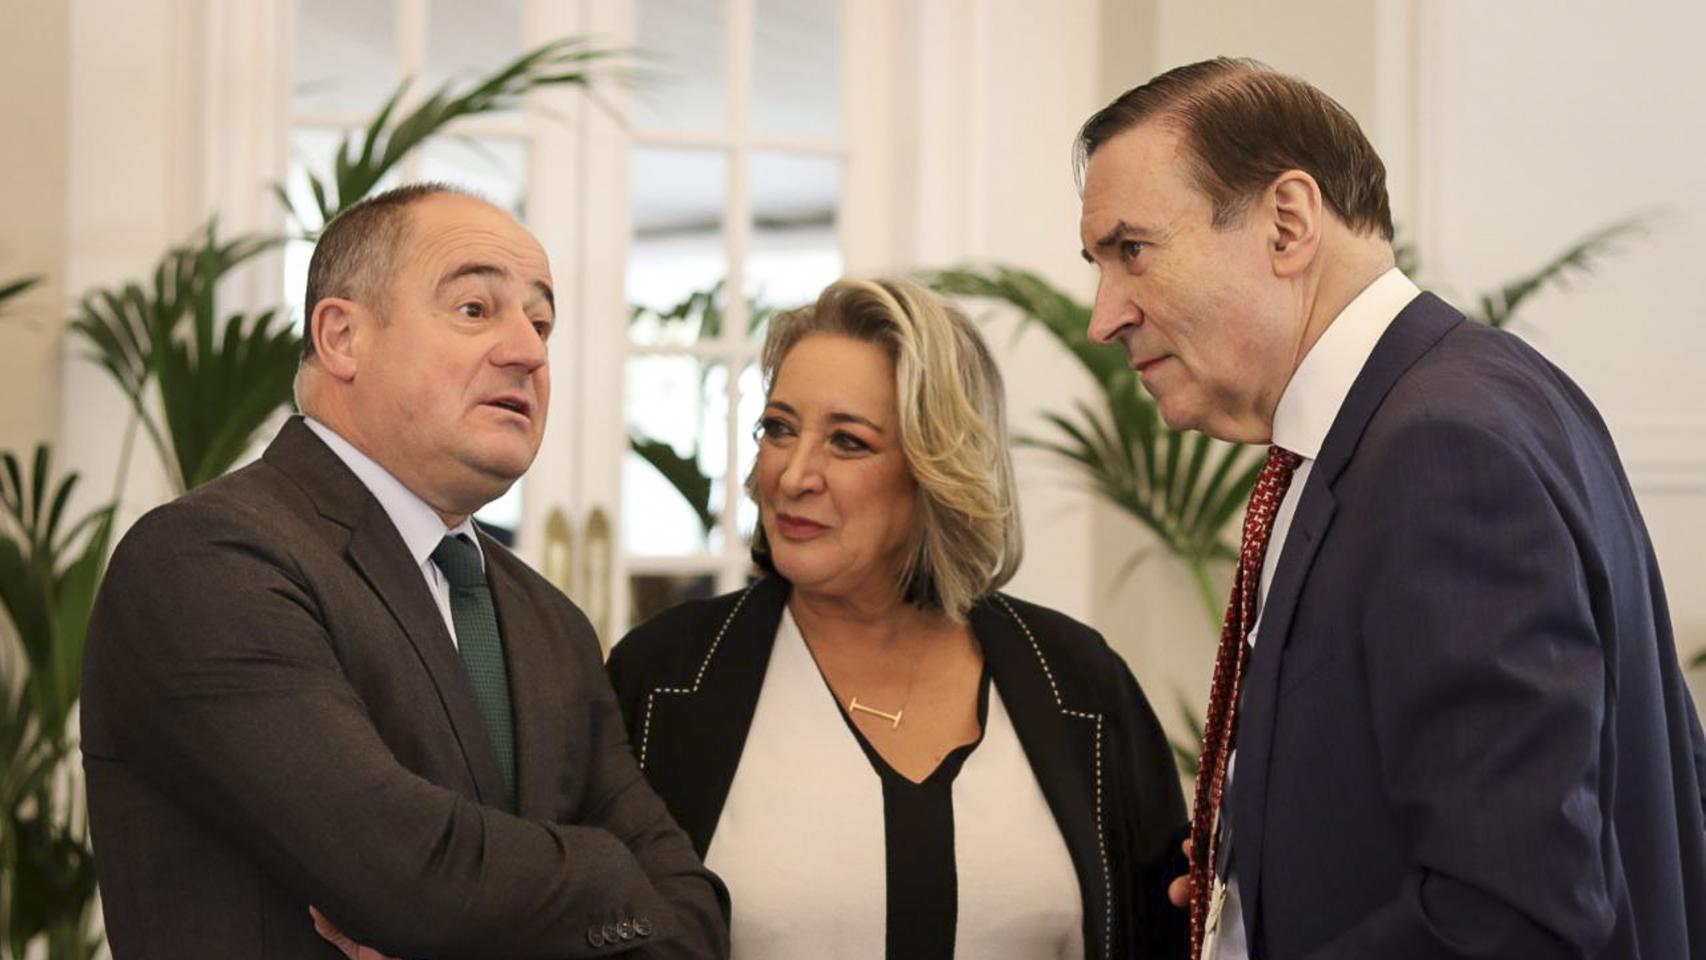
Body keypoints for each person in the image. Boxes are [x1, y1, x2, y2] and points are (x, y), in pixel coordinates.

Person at [1075, 58, 1706, 960]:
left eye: (1131, 251)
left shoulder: (1442, 450)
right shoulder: (1450, 402)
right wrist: (1259, 872)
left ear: (1287, 223)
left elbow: (1513, 915)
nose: (1104, 315)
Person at [81, 183, 729, 958]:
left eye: (542, 322)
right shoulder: (208, 562)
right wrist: (610, 874)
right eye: (475, 309)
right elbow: (417, 881)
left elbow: (692, 923)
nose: (527, 350)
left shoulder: (550, 621)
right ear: (342, 337)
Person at [606, 277, 1187, 960]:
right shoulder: (661, 682)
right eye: (779, 429)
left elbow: (1161, 932)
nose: (793, 475)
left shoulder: (1081, 686)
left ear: (938, 469)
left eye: (847, 442)